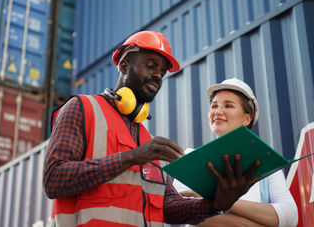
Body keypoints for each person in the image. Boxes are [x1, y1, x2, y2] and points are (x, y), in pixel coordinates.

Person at [43, 31, 260, 226]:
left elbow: (168, 205)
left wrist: (214, 204)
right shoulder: (82, 108)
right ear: (124, 65)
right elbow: (54, 179)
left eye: (163, 72)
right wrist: (132, 157)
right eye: (150, 65)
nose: (158, 75)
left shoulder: (148, 141)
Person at [173, 78, 298, 227]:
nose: (217, 111)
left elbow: (290, 218)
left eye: (228, 106)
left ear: (247, 118)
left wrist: (221, 201)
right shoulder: (189, 158)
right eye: (214, 106)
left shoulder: (265, 162)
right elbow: (186, 218)